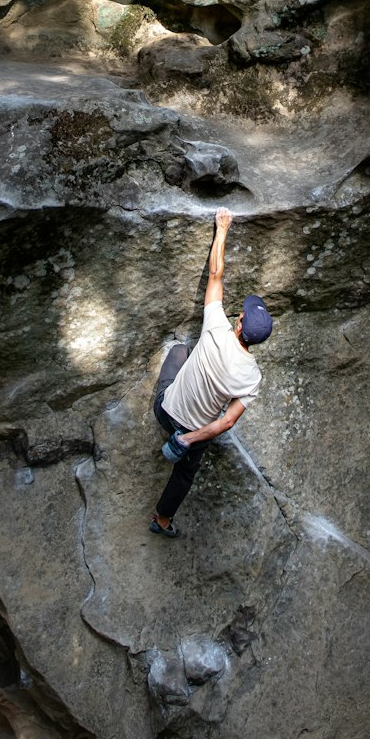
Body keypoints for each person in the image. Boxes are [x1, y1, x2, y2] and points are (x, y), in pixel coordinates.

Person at [150, 207, 273, 538]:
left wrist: (223, 228)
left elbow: (215, 274)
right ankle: (162, 521)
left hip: (166, 411)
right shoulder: (252, 378)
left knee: (179, 352)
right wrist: (189, 438)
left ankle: (171, 401)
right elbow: (227, 422)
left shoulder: (216, 326)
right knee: (186, 473)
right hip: (190, 433)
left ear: (239, 323)